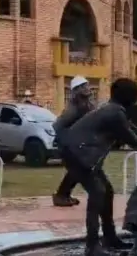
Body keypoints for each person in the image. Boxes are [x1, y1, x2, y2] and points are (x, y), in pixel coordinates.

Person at [62, 78, 137, 256]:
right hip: (78, 155)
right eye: (136, 96)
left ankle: (110, 239)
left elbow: (135, 131)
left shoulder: (114, 109)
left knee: (107, 192)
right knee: (98, 194)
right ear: (130, 97)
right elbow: (134, 141)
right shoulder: (114, 113)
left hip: (79, 154)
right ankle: (92, 246)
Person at [52, 75, 95, 207]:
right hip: (69, 145)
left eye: (87, 85)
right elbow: (58, 125)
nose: (87, 88)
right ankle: (61, 195)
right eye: (83, 86)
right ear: (77, 90)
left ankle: (63, 195)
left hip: (78, 145)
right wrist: (69, 140)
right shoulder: (73, 108)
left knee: (76, 171)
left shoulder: (87, 105)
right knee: (77, 170)